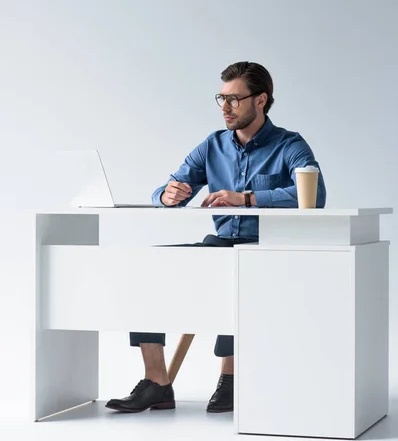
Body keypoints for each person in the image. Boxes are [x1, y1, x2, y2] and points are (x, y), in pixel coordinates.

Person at [105, 61, 326, 414]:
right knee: (146, 266)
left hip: (270, 248)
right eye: (221, 98)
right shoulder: (212, 146)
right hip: (221, 244)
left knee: (241, 272)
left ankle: (232, 378)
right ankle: (157, 382)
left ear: (260, 100)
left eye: (234, 99)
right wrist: (167, 195)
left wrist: (248, 198)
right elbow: (168, 188)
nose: (225, 107)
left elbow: (314, 198)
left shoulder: (289, 145)